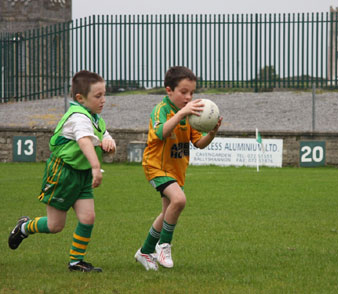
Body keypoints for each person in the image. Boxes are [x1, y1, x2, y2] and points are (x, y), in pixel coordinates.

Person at [8, 70, 116, 272]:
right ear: (80, 98)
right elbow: (84, 141)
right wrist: (95, 167)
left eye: (104, 94)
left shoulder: (95, 119)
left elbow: (102, 135)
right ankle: (24, 226)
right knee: (55, 225)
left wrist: (110, 142)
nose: (103, 100)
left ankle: (76, 262)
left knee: (88, 218)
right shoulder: (78, 117)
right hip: (62, 173)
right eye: (98, 96)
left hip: (81, 175)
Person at [135, 66, 222, 271]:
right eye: (183, 92)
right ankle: (163, 246)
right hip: (156, 166)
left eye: (191, 93)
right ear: (169, 91)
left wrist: (213, 132)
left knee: (167, 212)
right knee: (179, 200)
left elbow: (198, 143)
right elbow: (162, 132)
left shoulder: (191, 116)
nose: (188, 97)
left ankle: (145, 251)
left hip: (176, 171)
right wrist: (181, 113)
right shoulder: (162, 110)